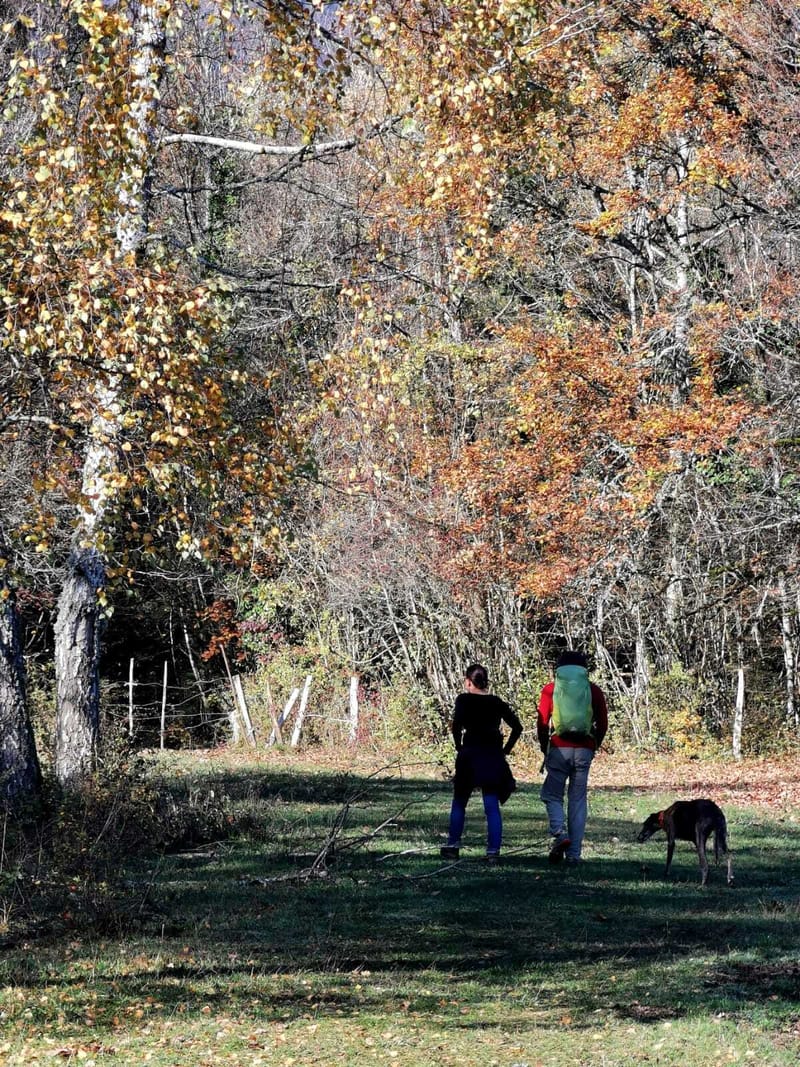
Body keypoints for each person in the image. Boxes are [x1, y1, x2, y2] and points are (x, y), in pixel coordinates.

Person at [440, 663, 523, 864]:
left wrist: (459, 746)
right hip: (492, 755)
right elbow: (517, 727)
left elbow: (457, 726)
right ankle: (493, 851)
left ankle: (453, 845)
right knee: (491, 805)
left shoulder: (463, 700)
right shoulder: (496, 702)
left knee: (460, 801)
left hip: (470, 754)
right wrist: (505, 750)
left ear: (469, 682)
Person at [537, 650, 608, 865]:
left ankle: (560, 833)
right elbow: (603, 723)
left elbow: (542, 723)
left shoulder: (551, 690)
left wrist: (544, 747)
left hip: (559, 748)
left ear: (559, 669)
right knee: (577, 800)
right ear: (583, 670)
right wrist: (595, 744)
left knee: (551, 795)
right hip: (584, 749)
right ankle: (574, 855)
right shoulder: (593, 690)